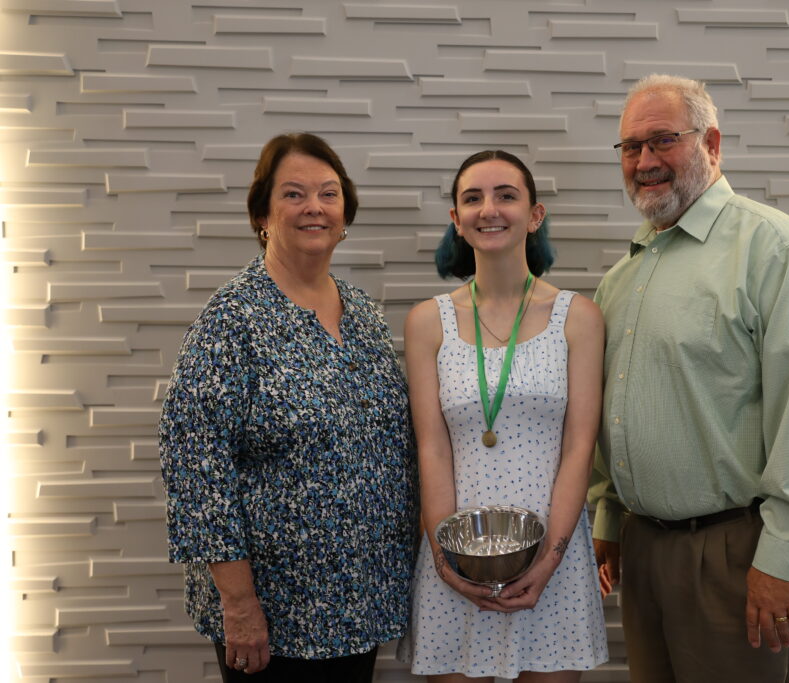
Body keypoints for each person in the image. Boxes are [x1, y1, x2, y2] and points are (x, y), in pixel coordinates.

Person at [589, 74, 789, 683]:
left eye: (663, 140)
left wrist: (783, 557)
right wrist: (610, 520)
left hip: (737, 552)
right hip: (643, 550)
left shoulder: (773, 249)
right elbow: (614, 409)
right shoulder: (622, 278)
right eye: (631, 147)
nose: (645, 161)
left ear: (711, 143)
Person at [158, 132, 417, 682]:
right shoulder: (232, 320)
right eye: (294, 194)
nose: (314, 207)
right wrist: (238, 605)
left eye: (328, 193)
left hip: (360, 602)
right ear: (263, 215)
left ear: (345, 213)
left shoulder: (362, 311)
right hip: (275, 615)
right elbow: (196, 471)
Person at [398, 150, 609, 682]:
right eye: (473, 198)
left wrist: (550, 558)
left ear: (535, 215)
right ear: (457, 219)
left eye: (506, 196)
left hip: (553, 554)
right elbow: (432, 448)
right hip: (456, 555)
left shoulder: (578, 318)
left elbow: (579, 446)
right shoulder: (428, 322)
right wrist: (447, 564)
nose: (489, 209)